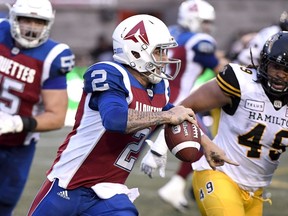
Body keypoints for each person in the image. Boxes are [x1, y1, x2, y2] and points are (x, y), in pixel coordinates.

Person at [27, 14, 237, 216]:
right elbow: (115, 120)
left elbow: (175, 114)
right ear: (135, 51)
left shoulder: (159, 86)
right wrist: (166, 117)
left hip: (110, 191)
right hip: (69, 184)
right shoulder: (110, 73)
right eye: (159, 52)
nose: (166, 58)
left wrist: (207, 143)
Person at [143, 31, 288, 215]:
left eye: (287, 70)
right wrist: (162, 146)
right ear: (265, 62)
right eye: (276, 66)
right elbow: (182, 109)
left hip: (256, 191)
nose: (281, 75)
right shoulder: (242, 82)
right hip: (218, 174)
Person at [142, 0, 228, 212]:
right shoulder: (201, 41)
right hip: (178, 103)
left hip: (153, 97)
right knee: (203, 145)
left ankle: (176, 186)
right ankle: (181, 187)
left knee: (131, 142)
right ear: (193, 19)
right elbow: (225, 73)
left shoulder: (171, 33)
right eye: (205, 21)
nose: (208, 26)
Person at [0, 0, 75, 215]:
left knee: (4, 205)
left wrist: (15, 123)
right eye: (26, 20)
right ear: (14, 18)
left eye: (39, 21)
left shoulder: (53, 56)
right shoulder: (1, 31)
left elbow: (57, 116)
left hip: (17, 146)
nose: (32, 27)